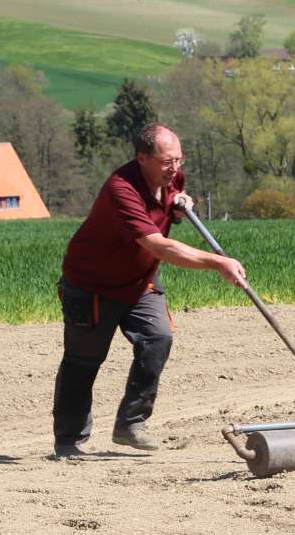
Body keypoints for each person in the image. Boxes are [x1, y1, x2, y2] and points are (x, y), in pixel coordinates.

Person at [52, 123, 247, 459]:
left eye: (179, 160)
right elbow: (158, 245)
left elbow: (168, 206)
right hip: (92, 285)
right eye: (167, 161)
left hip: (140, 281)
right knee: (84, 360)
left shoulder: (172, 179)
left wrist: (177, 203)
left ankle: (131, 424)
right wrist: (217, 262)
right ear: (142, 158)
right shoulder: (121, 189)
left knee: (158, 337)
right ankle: (69, 440)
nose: (175, 169)